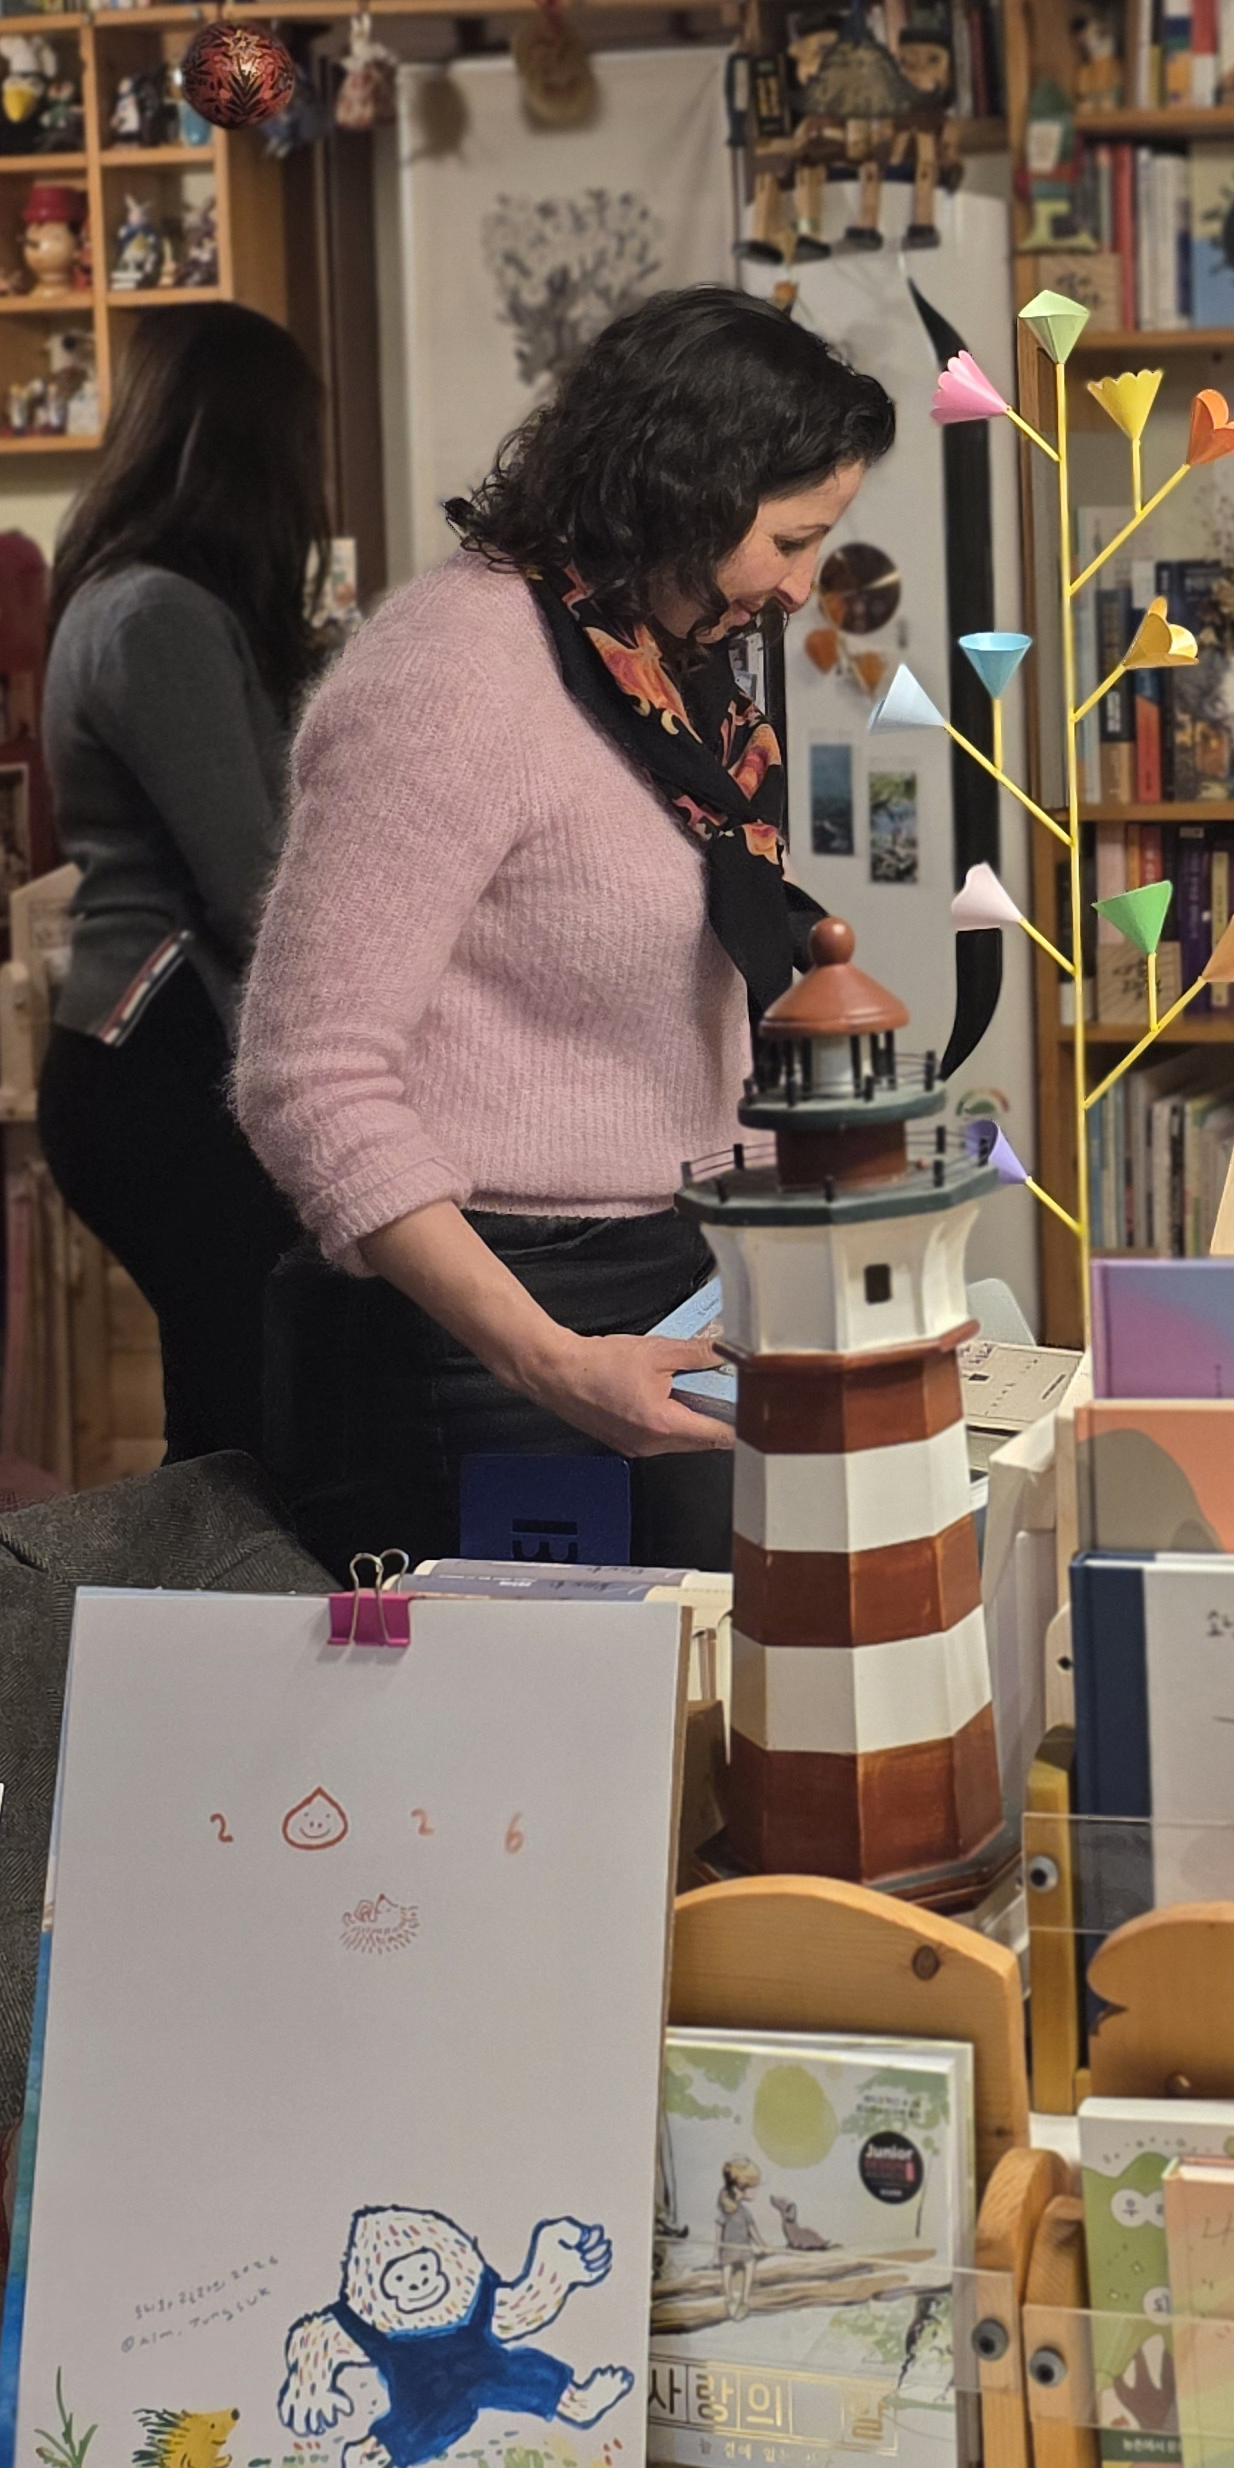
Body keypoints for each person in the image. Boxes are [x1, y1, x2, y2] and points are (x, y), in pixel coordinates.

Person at [238, 289, 894, 1572]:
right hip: (485, 1332)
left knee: (700, 1681)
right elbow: (306, 1076)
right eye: (790, 540)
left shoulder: (652, 667)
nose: (801, 586)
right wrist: (543, 1357)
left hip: (672, 1275)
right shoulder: (450, 675)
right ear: (683, 490)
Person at [39, 304, 332, 1464]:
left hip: (139, 1058)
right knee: (240, 1421)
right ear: (253, 449)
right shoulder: (158, 614)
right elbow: (248, 881)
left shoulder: (135, 598)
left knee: (230, 1405)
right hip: (156, 1056)